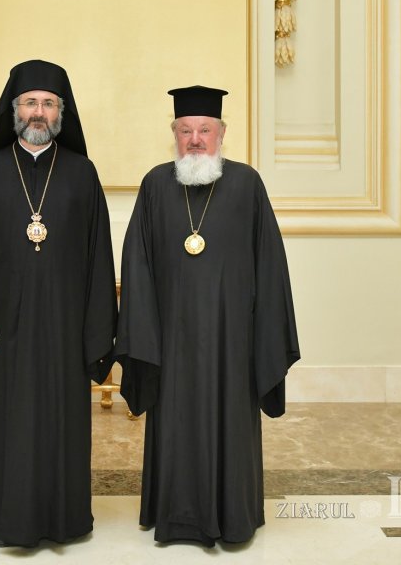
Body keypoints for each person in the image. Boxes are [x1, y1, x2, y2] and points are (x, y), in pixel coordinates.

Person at [0, 59, 117, 547]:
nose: (39, 112)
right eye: (31, 102)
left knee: (61, 425)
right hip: (1, 331)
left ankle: (64, 520)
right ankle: (2, 519)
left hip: (64, 330)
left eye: (49, 103)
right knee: (6, 424)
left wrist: (95, 331)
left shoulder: (81, 173)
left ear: (62, 112)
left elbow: (99, 257)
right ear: (14, 110)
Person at [115, 85, 300, 546]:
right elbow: (136, 263)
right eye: (185, 131)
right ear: (174, 134)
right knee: (174, 423)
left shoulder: (247, 184)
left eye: (204, 130)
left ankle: (233, 516)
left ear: (221, 134)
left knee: (231, 423)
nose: (195, 140)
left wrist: (262, 334)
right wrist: (143, 332)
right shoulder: (155, 185)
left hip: (231, 341)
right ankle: (175, 517)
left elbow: (270, 264)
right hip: (171, 340)